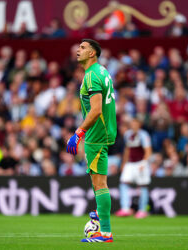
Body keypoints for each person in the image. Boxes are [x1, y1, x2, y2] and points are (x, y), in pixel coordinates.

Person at [66, 39, 116, 243]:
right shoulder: (102, 71)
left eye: (84, 47)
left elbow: (95, 110)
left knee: (99, 183)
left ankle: (105, 233)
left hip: (96, 134)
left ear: (93, 53)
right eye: (78, 47)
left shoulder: (91, 76)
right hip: (103, 131)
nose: (79, 50)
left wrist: (78, 133)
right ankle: (99, 221)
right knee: (97, 184)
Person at [115, 117, 152, 218]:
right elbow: (127, 150)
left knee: (143, 185)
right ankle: (125, 208)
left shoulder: (143, 135)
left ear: (139, 125)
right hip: (130, 163)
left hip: (141, 163)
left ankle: (142, 210)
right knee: (123, 183)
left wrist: (144, 163)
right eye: (132, 123)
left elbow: (148, 150)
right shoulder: (127, 134)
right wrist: (123, 163)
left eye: (135, 123)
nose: (133, 125)